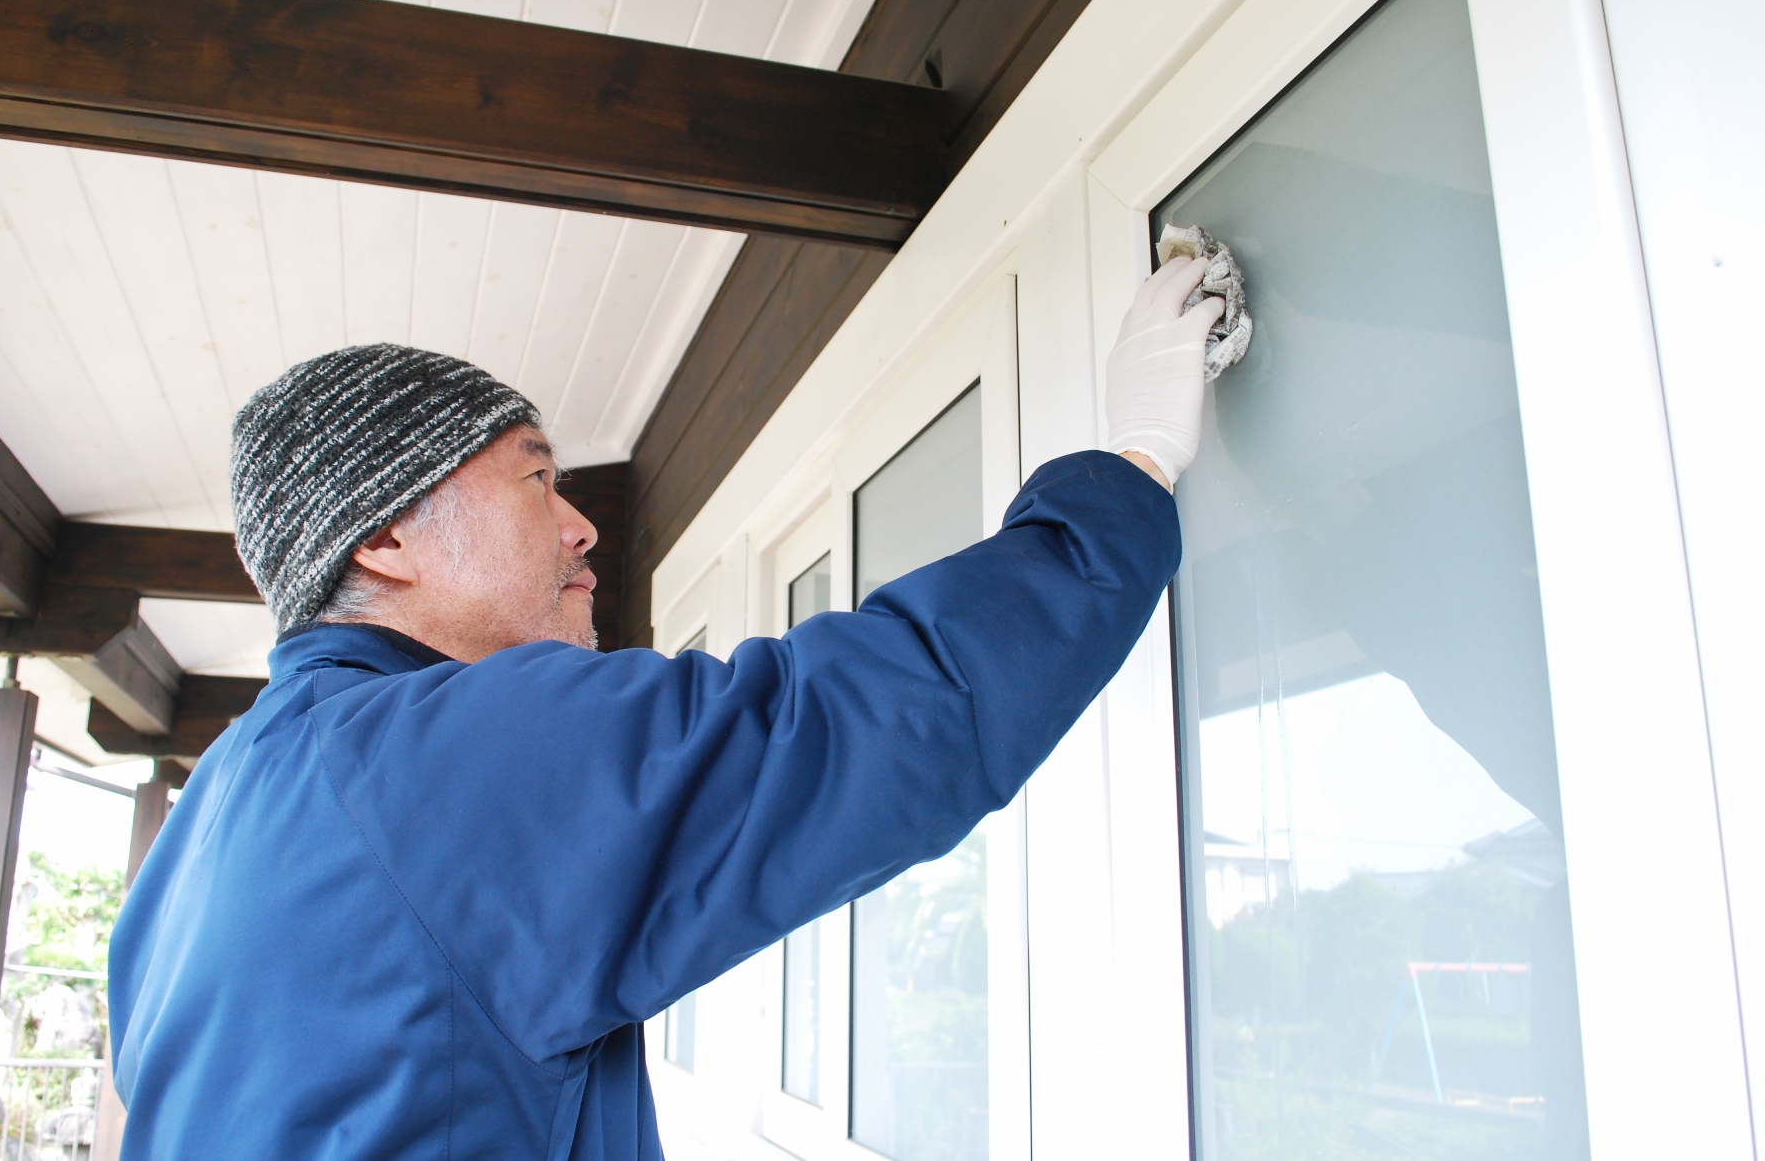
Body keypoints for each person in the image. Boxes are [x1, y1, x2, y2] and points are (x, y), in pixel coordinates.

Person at [108, 256, 1222, 1159]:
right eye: (537, 478)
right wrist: (1131, 473)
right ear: (386, 541)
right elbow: (863, 715)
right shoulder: (437, 758)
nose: (583, 526)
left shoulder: (206, 826)